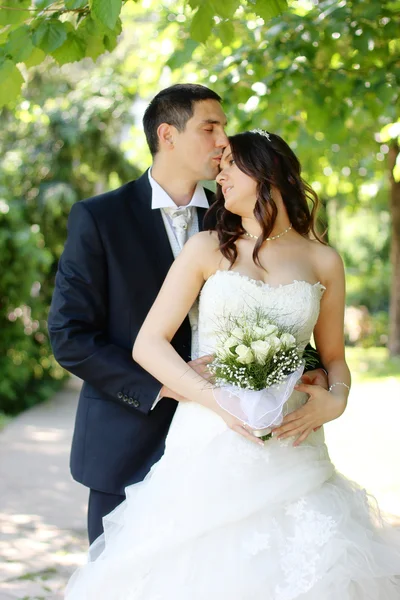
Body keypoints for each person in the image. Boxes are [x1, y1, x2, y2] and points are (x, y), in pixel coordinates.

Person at [65, 130, 400, 598]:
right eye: (218, 165)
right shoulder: (206, 247)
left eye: (229, 165)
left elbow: (335, 360)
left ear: (268, 172)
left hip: (294, 445)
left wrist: (335, 401)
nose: (218, 174)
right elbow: (149, 344)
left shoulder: (323, 260)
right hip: (208, 439)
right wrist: (214, 400)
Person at [48, 83, 327, 544]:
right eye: (209, 127)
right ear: (168, 135)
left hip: (229, 444)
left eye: (224, 128)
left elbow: (276, 310)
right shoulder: (100, 217)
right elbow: (70, 335)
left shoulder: (236, 215)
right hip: (126, 436)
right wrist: (171, 386)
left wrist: (310, 370)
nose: (223, 141)